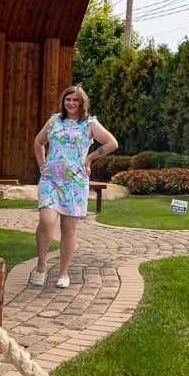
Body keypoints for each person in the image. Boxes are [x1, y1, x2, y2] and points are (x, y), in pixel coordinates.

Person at [30, 84, 117, 289]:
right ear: (64, 101)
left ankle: (63, 272)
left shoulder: (90, 123)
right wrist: (42, 164)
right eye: (68, 99)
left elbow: (111, 143)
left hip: (75, 183)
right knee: (46, 221)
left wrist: (89, 159)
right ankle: (41, 266)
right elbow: (38, 142)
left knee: (68, 229)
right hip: (51, 180)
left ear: (81, 103)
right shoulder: (54, 120)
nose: (71, 103)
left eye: (75, 100)